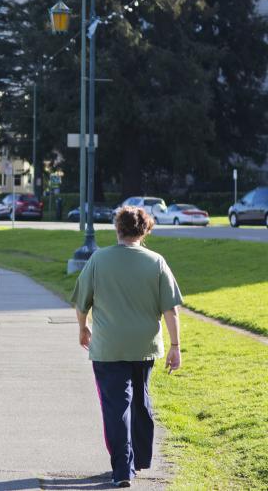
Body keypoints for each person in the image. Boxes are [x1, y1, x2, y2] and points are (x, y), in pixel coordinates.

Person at [71, 206, 183, 488]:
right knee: (140, 399)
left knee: (116, 405)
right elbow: (171, 309)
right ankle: (141, 458)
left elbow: (81, 300)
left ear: (117, 229)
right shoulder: (156, 262)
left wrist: (83, 327)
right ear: (145, 230)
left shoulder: (99, 259)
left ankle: (123, 468)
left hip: (108, 347)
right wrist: (175, 345)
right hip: (144, 345)